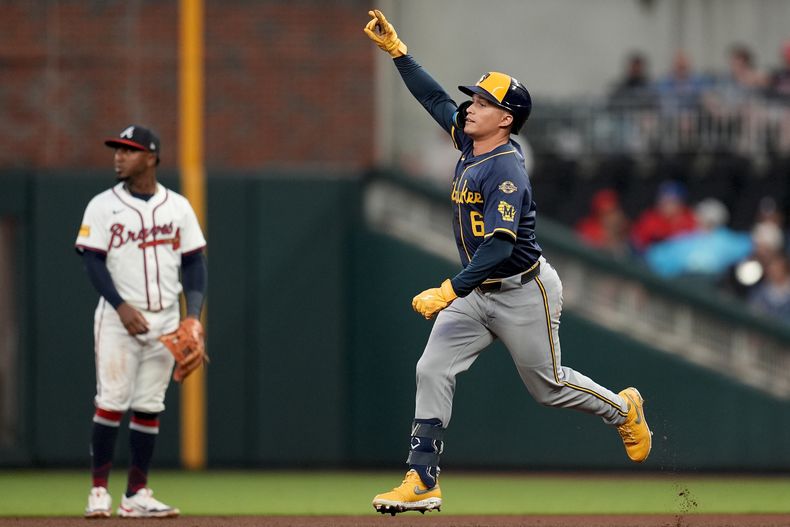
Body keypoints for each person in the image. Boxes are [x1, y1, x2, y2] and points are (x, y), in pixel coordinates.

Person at [363, 9, 652, 516]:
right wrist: (399, 53)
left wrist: (450, 289)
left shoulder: (507, 169)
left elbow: (498, 248)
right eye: (473, 99)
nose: (470, 107)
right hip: (478, 293)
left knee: (549, 387)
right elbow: (434, 98)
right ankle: (422, 478)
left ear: (506, 118)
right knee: (431, 367)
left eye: (483, 102)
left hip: (523, 290)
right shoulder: (471, 142)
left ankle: (624, 408)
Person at [75, 125, 207, 518]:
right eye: (117, 149)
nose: (119, 156)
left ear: (151, 157)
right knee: (112, 401)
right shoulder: (102, 205)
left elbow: (194, 263)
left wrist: (193, 317)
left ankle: (136, 494)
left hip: (167, 318)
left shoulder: (178, 206)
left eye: (128, 150)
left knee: (150, 405)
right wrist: (119, 305)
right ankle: (99, 492)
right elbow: (92, 259)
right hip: (119, 319)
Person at [630, 180, 697, 253]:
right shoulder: (650, 219)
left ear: (681, 203)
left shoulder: (690, 218)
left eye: (672, 201)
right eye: (664, 201)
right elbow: (638, 242)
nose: (667, 205)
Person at [575, 188, 631, 257]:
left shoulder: (624, 229)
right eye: (605, 214)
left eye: (612, 212)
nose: (611, 217)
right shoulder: (588, 228)